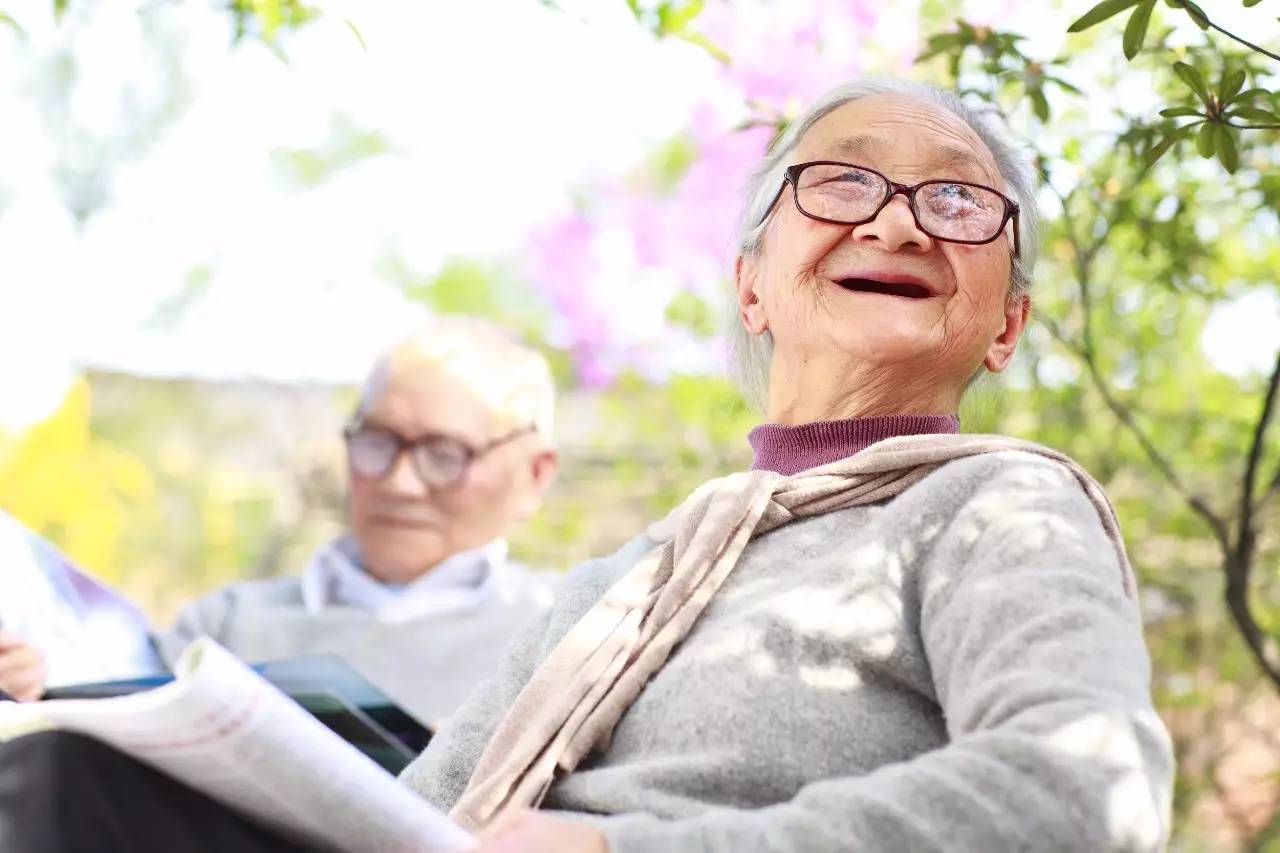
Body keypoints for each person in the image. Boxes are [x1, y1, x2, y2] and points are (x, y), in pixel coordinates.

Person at [0, 77, 1174, 853]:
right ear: (752, 283)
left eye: (960, 200)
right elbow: (412, 819)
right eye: (844, 181)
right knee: (66, 777)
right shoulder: (632, 577)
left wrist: (628, 848)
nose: (898, 221)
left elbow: (1080, 791)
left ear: (1004, 323)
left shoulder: (996, 506)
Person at [0, 316, 560, 726]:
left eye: (444, 455)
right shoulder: (224, 626)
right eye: (377, 442)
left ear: (534, 474)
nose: (398, 481)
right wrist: (28, 687)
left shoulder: (564, 639)